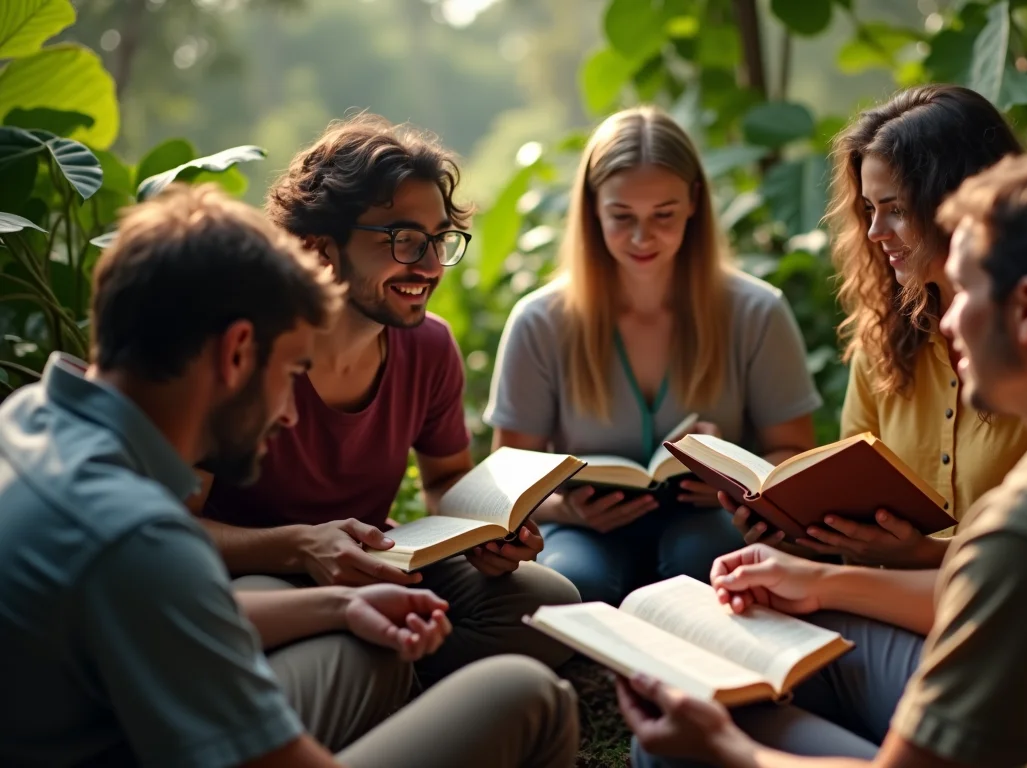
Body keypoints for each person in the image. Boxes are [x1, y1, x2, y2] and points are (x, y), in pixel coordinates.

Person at [622, 147, 1027, 767]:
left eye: (964, 292)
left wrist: (728, 751)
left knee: (689, 737)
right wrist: (820, 581)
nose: (946, 321)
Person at [0, 184, 579, 768]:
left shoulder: (26, 420)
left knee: (391, 651)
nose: (292, 414)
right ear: (237, 352)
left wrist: (339, 607)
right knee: (531, 697)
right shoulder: (139, 534)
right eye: (290, 370)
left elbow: (169, 611)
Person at [189, 114, 580, 685]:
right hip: (260, 578)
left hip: (378, 564)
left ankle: (385, 679)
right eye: (403, 239)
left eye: (439, 240)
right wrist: (299, 547)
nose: (430, 266)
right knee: (345, 652)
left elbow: (446, 479)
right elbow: (174, 528)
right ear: (319, 246)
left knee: (549, 606)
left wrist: (489, 533)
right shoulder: (245, 351)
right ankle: (375, 678)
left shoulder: (429, 347)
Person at [485, 105, 821, 605]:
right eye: (622, 217)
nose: (643, 238)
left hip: (709, 518)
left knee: (704, 564)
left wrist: (739, 479)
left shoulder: (757, 311)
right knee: (573, 583)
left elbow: (794, 454)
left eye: (663, 215)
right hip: (581, 529)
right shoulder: (540, 320)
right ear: (592, 209)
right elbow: (507, 480)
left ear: (694, 203)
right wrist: (568, 509)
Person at [736, 85, 1027, 568]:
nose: (875, 232)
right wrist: (786, 528)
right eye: (869, 210)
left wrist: (923, 554)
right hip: (883, 594)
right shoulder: (883, 339)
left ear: (959, 203)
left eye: (896, 210)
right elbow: (849, 519)